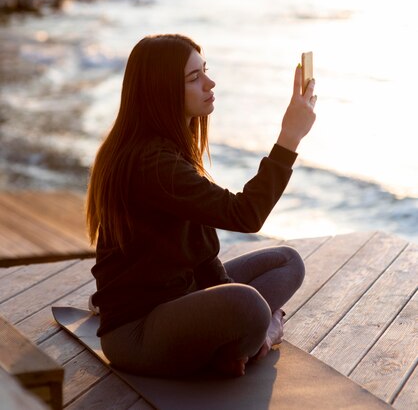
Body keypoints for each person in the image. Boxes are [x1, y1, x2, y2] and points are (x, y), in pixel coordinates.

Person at [86, 33, 317, 378]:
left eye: (204, 71)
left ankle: (237, 343)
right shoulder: (152, 164)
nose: (210, 83)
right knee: (250, 306)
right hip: (137, 331)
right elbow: (245, 214)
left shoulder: (167, 149)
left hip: (182, 292)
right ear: (162, 92)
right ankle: (260, 336)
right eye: (194, 78)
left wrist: (222, 293)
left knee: (288, 262)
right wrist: (289, 138)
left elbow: (203, 258)